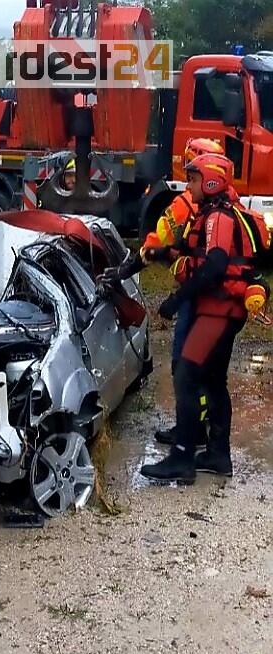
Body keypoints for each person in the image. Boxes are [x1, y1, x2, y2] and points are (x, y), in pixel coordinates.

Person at [101, 138, 230, 449]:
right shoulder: (228, 203)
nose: (189, 180)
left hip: (197, 296)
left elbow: (153, 246)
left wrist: (122, 273)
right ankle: (207, 436)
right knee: (212, 372)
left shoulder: (186, 206)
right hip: (221, 302)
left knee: (184, 364)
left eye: (192, 173)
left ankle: (191, 433)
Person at [141, 153, 256, 482]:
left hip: (219, 310)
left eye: (193, 179)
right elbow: (197, 256)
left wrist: (176, 301)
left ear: (211, 180)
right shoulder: (213, 214)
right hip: (224, 310)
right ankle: (219, 457)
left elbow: (216, 264)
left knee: (187, 375)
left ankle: (182, 457)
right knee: (213, 381)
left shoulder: (218, 218)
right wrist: (161, 254)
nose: (188, 186)